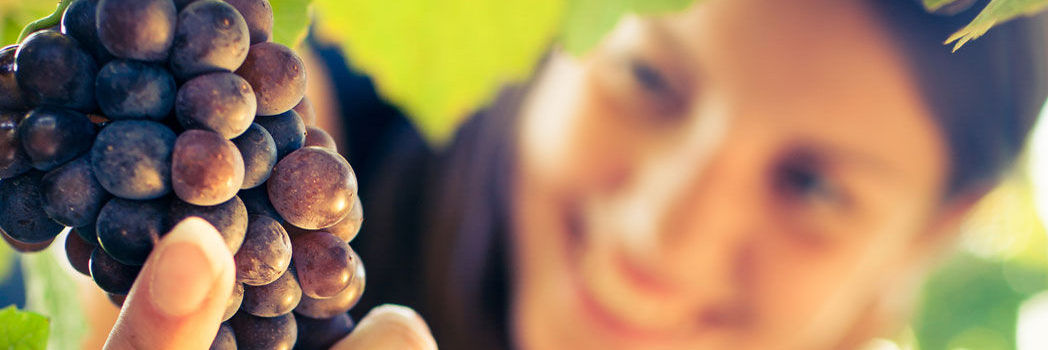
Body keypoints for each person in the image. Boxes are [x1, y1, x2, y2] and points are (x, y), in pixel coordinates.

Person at [93, 0, 1048, 348]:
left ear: (933, 231)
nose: (661, 231)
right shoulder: (282, 154)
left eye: (814, 186)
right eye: (647, 79)